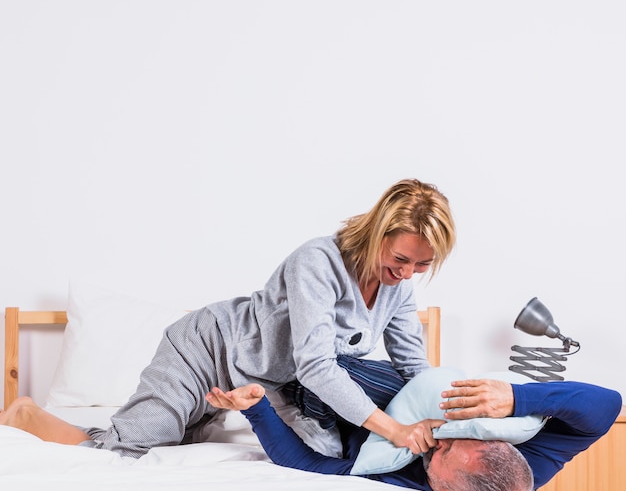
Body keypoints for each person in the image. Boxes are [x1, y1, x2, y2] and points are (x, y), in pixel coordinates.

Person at [0, 179, 456, 459]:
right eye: (400, 258)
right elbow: (317, 366)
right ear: (378, 231)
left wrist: (452, 417)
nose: (406, 273)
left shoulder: (398, 288)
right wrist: (394, 428)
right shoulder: (318, 262)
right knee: (130, 446)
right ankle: (26, 413)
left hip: (256, 385)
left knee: (186, 442)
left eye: (420, 266)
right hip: (205, 349)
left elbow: (413, 367)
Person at [205, 375, 622, 491]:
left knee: (316, 390)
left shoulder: (402, 482)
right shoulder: (534, 459)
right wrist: (516, 397)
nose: (442, 438)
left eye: (445, 453)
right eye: (461, 439)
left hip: (350, 416)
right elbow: (606, 405)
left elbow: (308, 466)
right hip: (405, 388)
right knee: (333, 374)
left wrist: (256, 406)